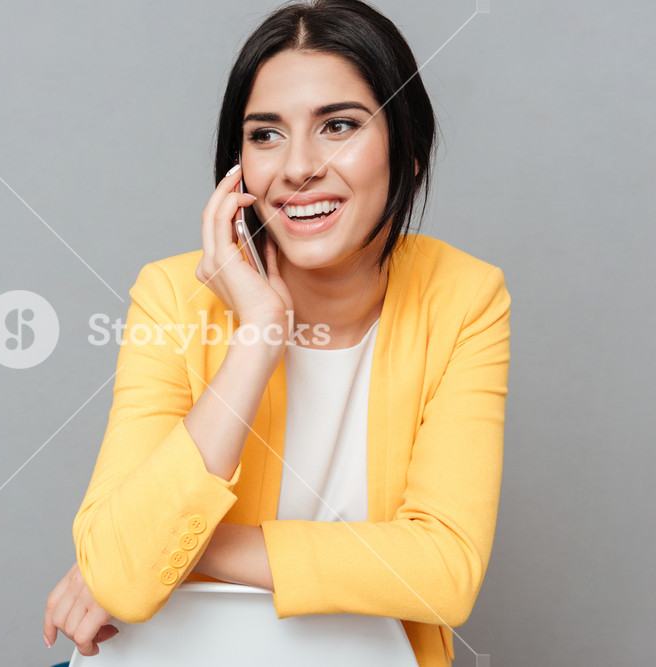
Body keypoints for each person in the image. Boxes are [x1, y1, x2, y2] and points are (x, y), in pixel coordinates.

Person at [42, 1, 511, 665]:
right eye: (265, 135)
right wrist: (259, 335)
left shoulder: (463, 297)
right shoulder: (173, 294)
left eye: (338, 126)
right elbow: (120, 576)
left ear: (406, 151)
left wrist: (184, 543)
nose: (297, 167)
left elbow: (443, 571)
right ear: (239, 169)